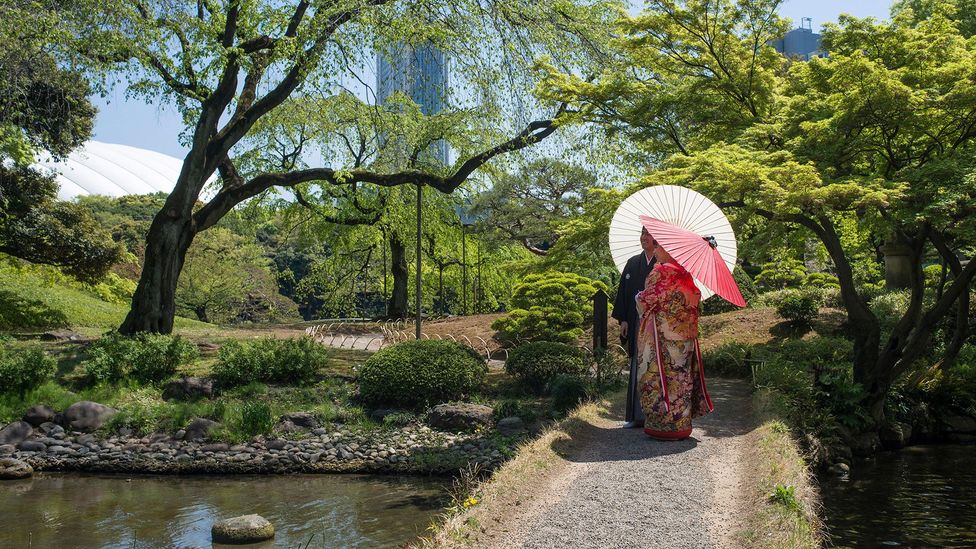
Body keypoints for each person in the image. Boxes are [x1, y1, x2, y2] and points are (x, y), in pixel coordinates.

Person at [634, 242, 714, 440]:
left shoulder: (660, 273)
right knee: (681, 379)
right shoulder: (687, 275)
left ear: (669, 250)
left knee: (657, 379)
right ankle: (681, 425)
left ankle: (662, 426)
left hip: (660, 339)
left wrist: (638, 297)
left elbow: (647, 300)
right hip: (684, 339)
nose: (654, 250)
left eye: (658, 246)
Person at [612, 226, 657, 426]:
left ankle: (654, 416)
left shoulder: (664, 264)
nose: (644, 237)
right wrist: (624, 319)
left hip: (656, 323)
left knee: (654, 366)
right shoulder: (632, 263)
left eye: (648, 234)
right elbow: (623, 293)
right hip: (636, 319)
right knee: (637, 364)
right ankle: (634, 416)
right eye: (642, 233)